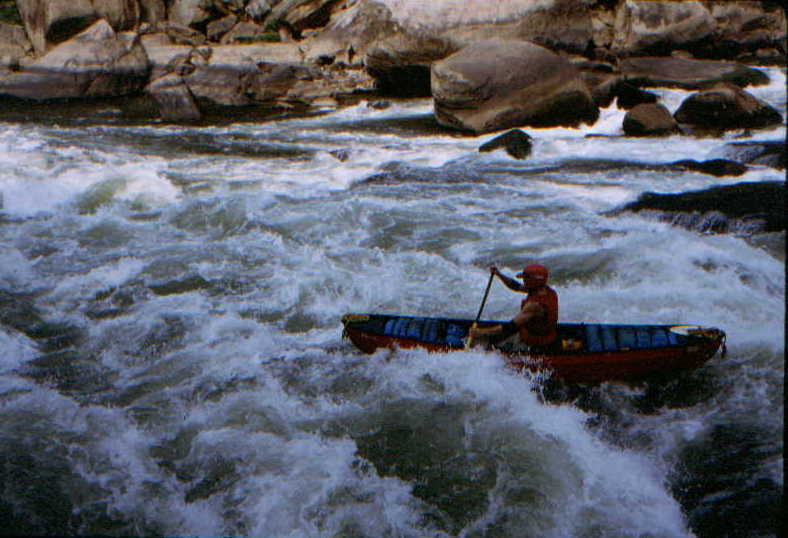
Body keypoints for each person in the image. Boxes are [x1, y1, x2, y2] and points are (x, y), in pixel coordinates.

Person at [468, 264, 559, 351]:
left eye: (525, 279)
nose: (523, 281)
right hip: (541, 335)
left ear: (534, 281)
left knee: (491, 346)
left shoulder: (534, 306)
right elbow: (516, 286)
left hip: (533, 343)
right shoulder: (545, 290)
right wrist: (499, 275)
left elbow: (510, 327)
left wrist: (481, 332)